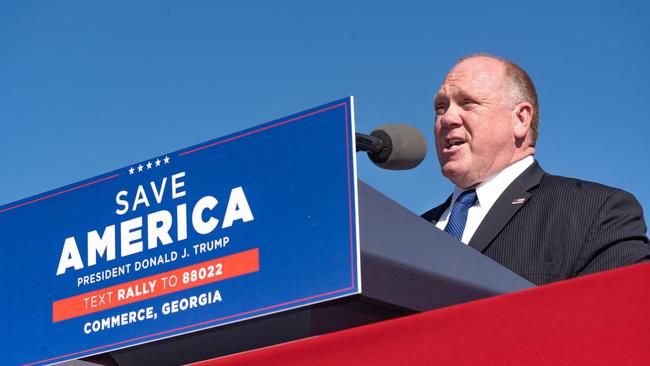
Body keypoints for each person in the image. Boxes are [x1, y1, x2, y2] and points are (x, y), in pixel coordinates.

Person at [422, 54, 650, 285]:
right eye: (440, 107)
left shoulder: (598, 213)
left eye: (467, 103)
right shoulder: (414, 232)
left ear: (521, 119)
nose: (446, 118)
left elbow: (618, 313)